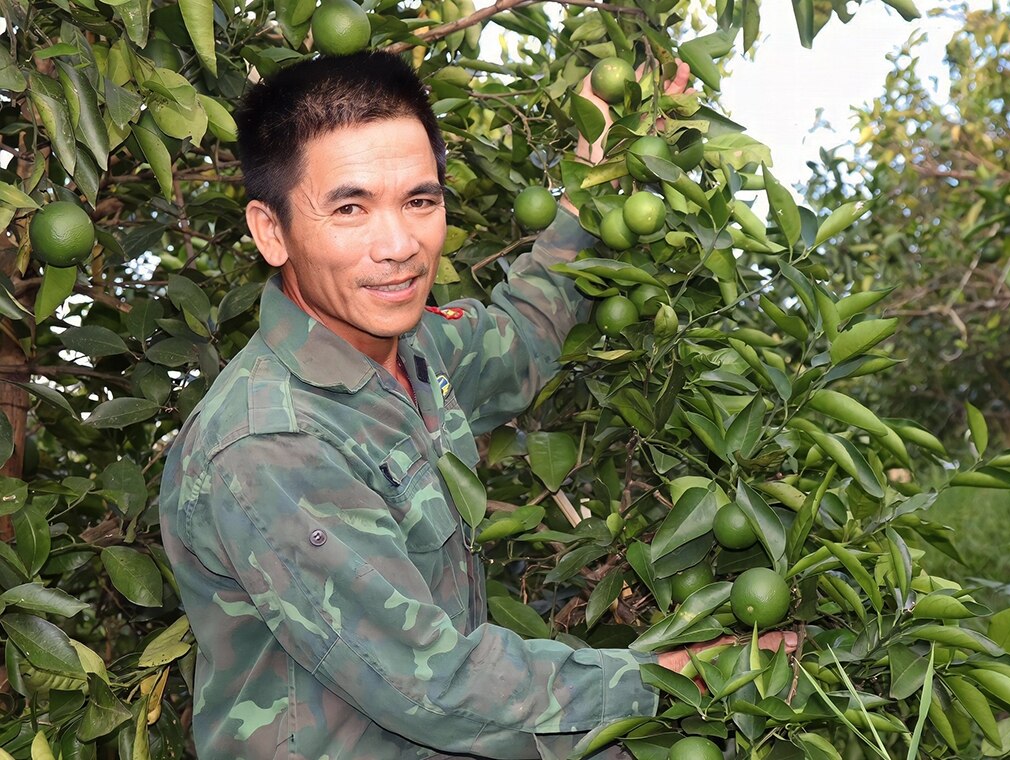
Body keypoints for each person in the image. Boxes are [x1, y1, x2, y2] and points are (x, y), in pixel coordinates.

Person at [158, 50, 794, 759]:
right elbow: (434, 685)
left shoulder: (418, 348)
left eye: (420, 201)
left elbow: (524, 334)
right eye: (350, 208)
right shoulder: (270, 442)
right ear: (270, 231)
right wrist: (686, 677)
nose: (398, 246)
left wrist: (588, 185)